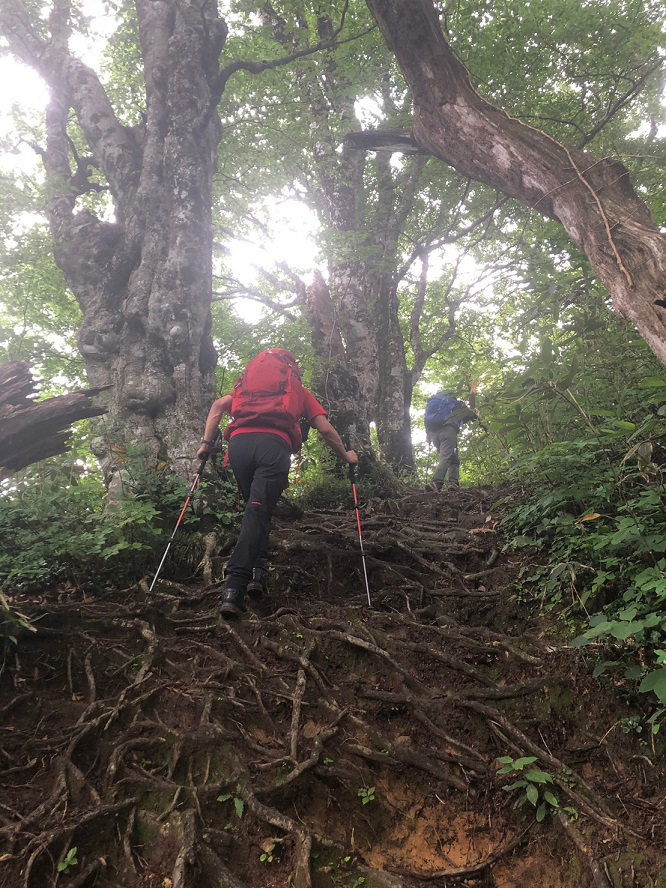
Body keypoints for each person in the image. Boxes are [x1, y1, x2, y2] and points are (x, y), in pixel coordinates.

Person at [197, 349, 358, 618]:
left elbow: (217, 407)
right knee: (257, 511)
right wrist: (346, 455)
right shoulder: (296, 391)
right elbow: (325, 429)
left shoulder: (247, 391)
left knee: (256, 510)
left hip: (239, 447)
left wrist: (204, 444)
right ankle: (234, 587)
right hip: (273, 447)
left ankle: (257, 573)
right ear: (291, 371)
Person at [425, 392, 483, 492]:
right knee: (446, 457)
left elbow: (426, 420)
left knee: (453, 458)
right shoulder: (457, 403)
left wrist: (428, 436)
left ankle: (453, 483)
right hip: (448, 430)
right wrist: (476, 413)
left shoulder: (434, 404)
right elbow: (472, 415)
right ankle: (436, 483)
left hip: (433, 434)